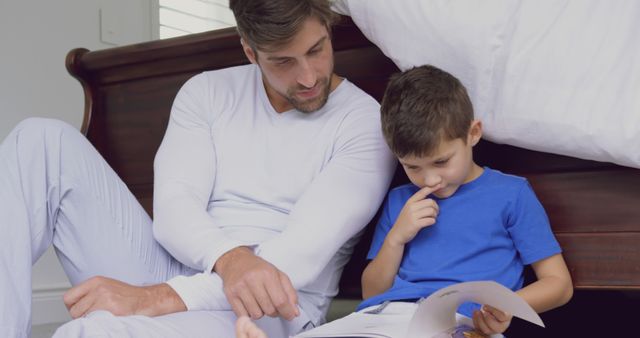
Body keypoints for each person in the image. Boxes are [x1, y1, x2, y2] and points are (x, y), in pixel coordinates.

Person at [0, 0, 396, 337]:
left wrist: (151, 298)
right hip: (177, 267)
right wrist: (229, 259)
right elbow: (173, 209)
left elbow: (295, 260)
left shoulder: (363, 123)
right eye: (283, 61)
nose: (308, 76)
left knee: (92, 331)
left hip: (270, 308)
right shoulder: (206, 93)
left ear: (328, 30)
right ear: (249, 52)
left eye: (316, 50)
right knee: (39, 140)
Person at [354, 64, 574, 336]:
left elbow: (559, 284)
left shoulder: (511, 194)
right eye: (412, 167)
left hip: (466, 325)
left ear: (473, 133)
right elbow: (372, 292)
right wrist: (396, 239)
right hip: (393, 319)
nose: (430, 180)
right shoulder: (401, 201)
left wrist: (507, 308)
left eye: (441, 161)